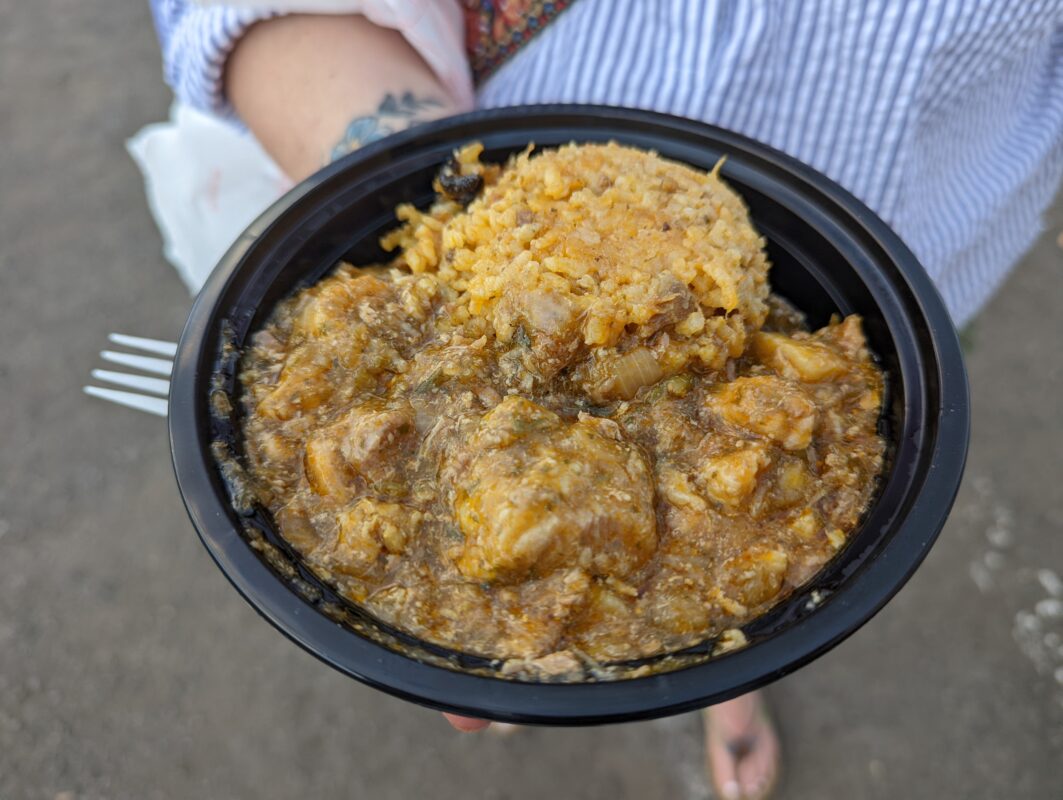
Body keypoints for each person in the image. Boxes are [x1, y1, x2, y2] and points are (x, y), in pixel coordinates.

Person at [147, 2, 1063, 798]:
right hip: (495, 163)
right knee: (731, 602)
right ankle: (713, 672)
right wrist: (403, 171)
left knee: (777, 603)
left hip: (918, 235)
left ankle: (732, 681)